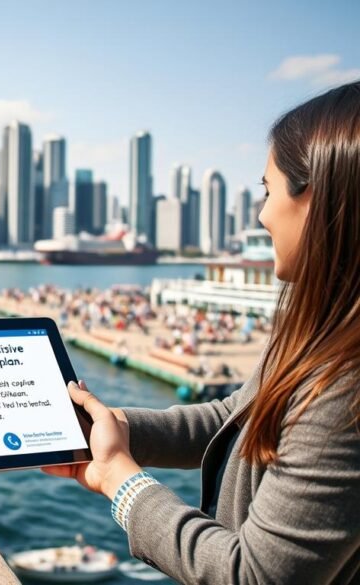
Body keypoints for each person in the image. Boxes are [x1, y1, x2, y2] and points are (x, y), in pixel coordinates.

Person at [43, 81, 360, 583]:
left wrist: (118, 479)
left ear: (316, 200)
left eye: (268, 189)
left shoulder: (347, 386)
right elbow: (234, 417)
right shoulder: (321, 337)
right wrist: (114, 426)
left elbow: (253, 576)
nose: (262, 214)